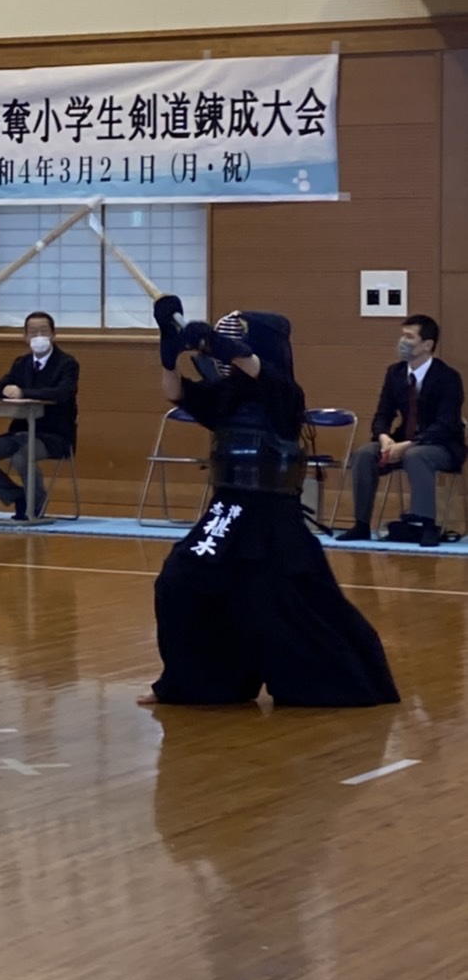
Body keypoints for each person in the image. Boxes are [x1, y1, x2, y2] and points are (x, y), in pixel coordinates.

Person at [139, 296, 399, 708]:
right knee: (177, 583)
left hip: (272, 518)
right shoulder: (226, 395)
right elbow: (176, 393)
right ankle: (191, 682)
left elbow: (248, 361)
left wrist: (210, 342)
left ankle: (329, 679)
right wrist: (169, 352)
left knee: (279, 603)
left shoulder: (284, 394)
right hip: (228, 510)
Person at [337, 314, 465, 547]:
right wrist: (384, 438)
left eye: (409, 337)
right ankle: (361, 524)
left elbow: (446, 424)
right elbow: (382, 415)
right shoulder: (394, 373)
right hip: (401, 441)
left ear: (427, 345)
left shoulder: (448, 377)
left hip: (442, 446)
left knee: (416, 455)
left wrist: (408, 445)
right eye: (402, 336)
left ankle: (426, 525)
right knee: (364, 454)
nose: (402, 342)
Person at [0, 310, 79, 520]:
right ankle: (18, 496)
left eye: (43, 331)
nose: (38, 336)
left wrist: (23, 393)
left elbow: (63, 393)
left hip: (53, 435)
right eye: (33, 332)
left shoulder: (67, 363)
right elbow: (4, 385)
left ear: (53, 334)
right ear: (26, 337)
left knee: (22, 457)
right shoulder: (21, 363)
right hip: (21, 432)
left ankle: (36, 505)